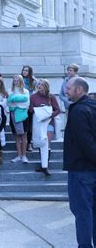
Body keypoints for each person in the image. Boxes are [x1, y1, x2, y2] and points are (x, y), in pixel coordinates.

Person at [63, 77, 96, 248]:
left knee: (82, 212)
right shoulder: (92, 107)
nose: (65, 91)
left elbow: (86, 142)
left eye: (68, 88)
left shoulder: (79, 111)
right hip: (89, 169)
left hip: (81, 171)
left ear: (79, 90)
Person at [29, 79, 60, 176]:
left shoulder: (51, 97)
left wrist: (49, 115)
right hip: (38, 123)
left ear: (46, 86)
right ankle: (43, 164)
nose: (39, 86)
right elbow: (30, 110)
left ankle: (45, 166)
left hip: (49, 122)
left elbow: (58, 110)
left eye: (42, 85)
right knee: (41, 142)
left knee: (46, 142)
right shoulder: (33, 97)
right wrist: (39, 111)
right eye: (39, 84)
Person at [8, 75, 30, 163]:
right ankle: (19, 155)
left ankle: (24, 156)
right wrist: (19, 99)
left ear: (21, 81)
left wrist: (14, 99)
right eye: (14, 80)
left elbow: (26, 103)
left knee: (23, 135)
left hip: (23, 115)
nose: (15, 82)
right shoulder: (10, 90)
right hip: (13, 115)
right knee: (16, 136)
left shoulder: (26, 91)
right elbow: (9, 103)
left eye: (17, 80)